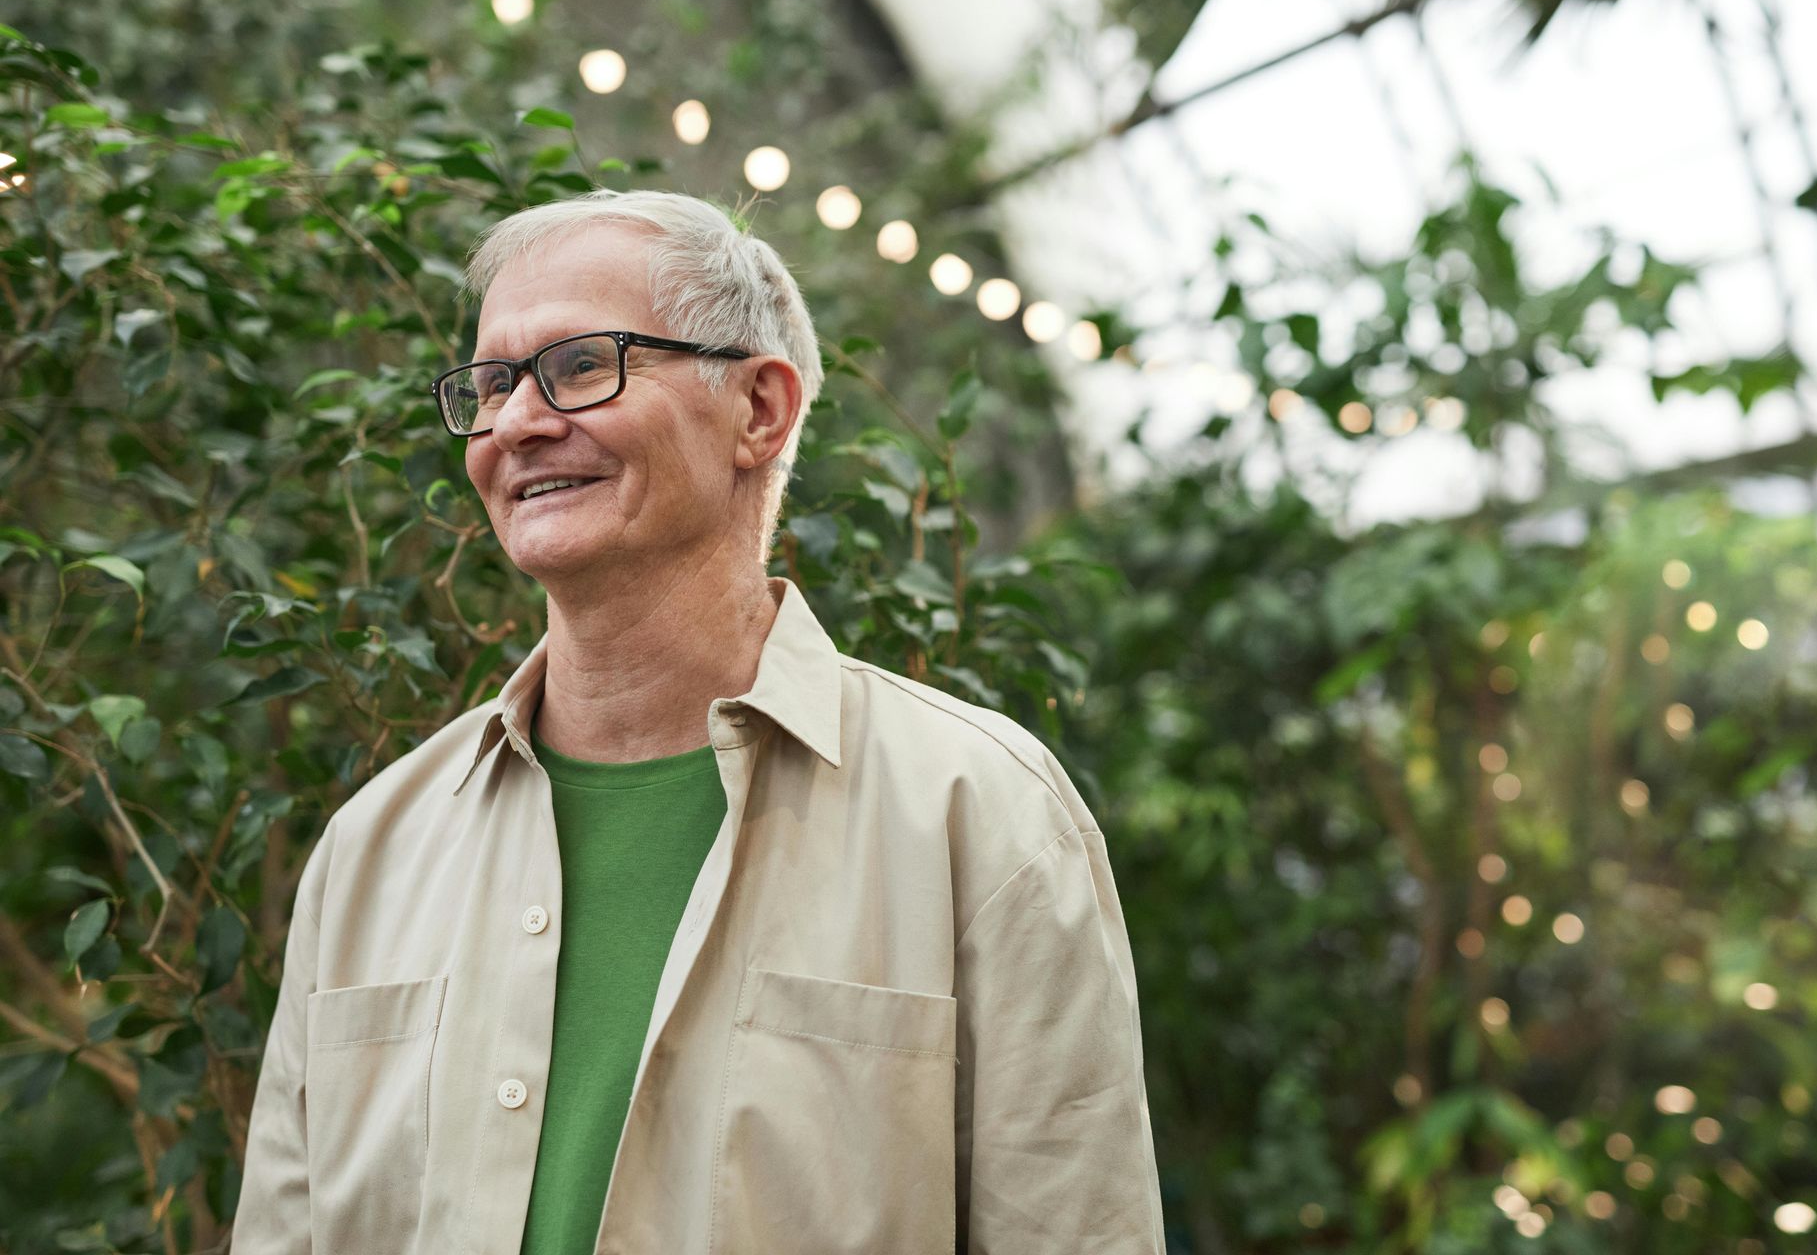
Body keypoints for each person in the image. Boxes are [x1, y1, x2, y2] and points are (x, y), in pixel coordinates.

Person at [231, 188, 1163, 1253]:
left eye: (581, 364)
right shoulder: (373, 847)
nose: (520, 423)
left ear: (759, 410)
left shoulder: (980, 815)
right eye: (492, 384)